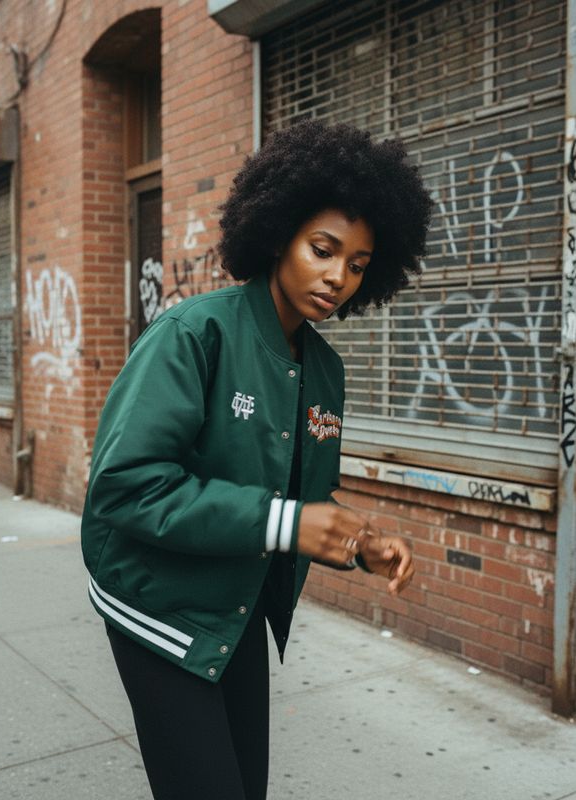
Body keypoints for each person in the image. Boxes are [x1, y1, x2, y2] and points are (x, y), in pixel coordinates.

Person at [80, 119, 432, 800]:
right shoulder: (193, 333)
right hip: (157, 605)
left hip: (237, 605)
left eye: (358, 264)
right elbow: (124, 487)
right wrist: (286, 523)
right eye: (323, 249)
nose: (338, 277)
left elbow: (297, 496)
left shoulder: (324, 370)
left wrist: (362, 541)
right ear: (278, 234)